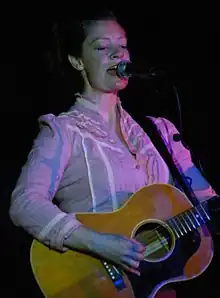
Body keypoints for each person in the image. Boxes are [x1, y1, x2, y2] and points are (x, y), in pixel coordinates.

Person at [10, 9, 217, 298]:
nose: (118, 55)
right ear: (77, 60)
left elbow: (205, 198)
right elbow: (24, 203)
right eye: (103, 47)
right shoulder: (63, 132)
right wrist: (99, 243)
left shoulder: (160, 132)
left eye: (122, 46)